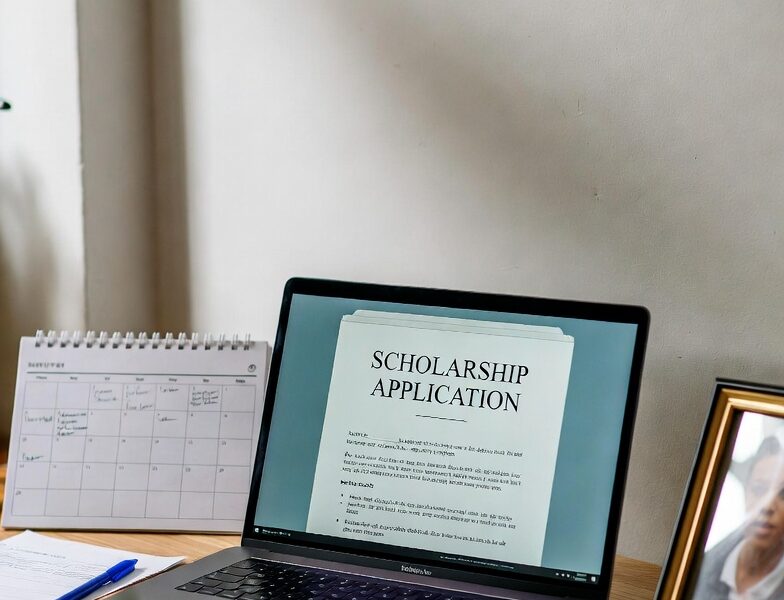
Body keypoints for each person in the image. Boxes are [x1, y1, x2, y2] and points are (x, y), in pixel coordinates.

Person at [692, 436, 784, 599]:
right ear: (746, 491)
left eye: (783, 495)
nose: (767, 506)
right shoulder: (697, 565)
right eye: (759, 489)